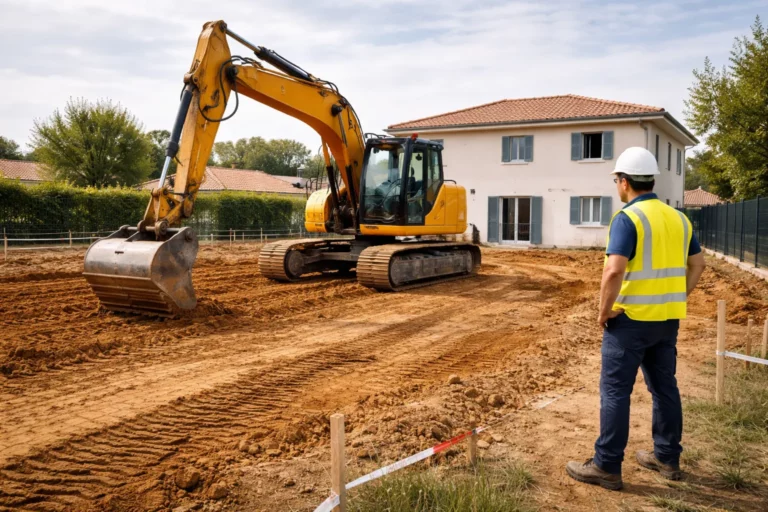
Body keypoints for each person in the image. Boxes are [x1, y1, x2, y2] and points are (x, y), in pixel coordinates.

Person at [565, 147, 706, 490]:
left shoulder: (628, 218)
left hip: (629, 322)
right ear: (652, 180)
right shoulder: (680, 219)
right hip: (667, 320)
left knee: (615, 392)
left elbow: (614, 271)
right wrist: (676, 297)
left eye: (617, 180)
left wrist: (603, 311)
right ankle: (667, 458)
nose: (617, 186)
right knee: (664, 389)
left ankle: (607, 466)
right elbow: (698, 264)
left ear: (624, 182)